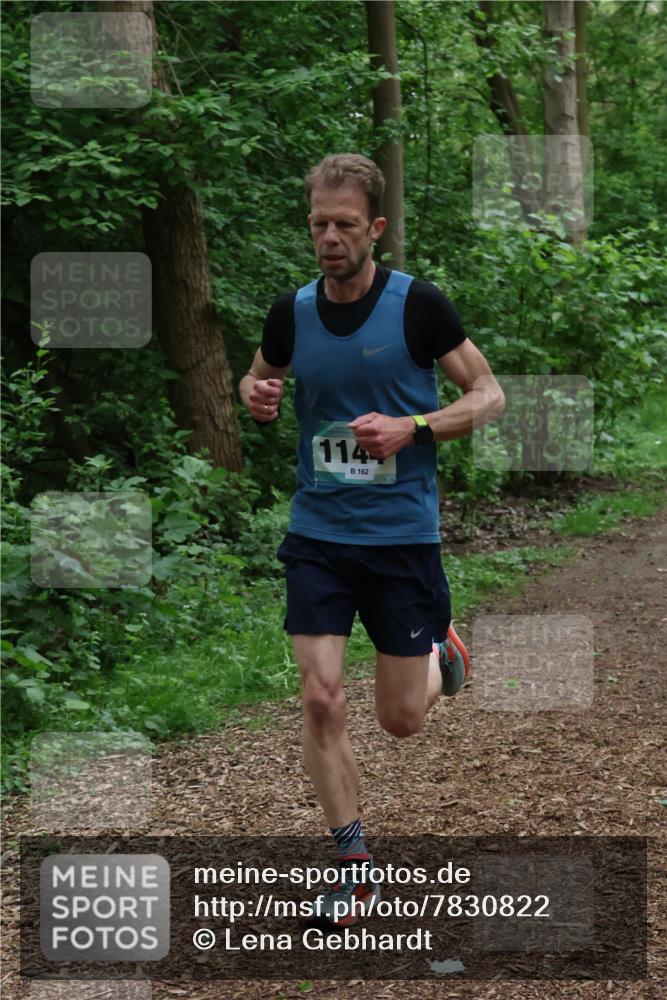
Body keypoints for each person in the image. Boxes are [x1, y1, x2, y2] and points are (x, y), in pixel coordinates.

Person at [239, 154, 504, 925]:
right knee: (320, 700)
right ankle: (353, 866)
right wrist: (255, 393)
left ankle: (435, 652)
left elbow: (486, 395)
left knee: (400, 720)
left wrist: (412, 426)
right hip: (318, 532)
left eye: (344, 225)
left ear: (375, 229)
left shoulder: (418, 306)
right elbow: (258, 380)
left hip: (399, 537)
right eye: (318, 223)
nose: (328, 237)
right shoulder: (290, 311)